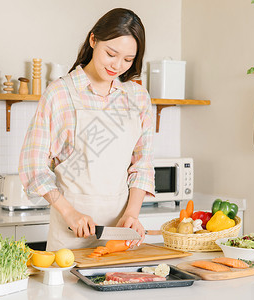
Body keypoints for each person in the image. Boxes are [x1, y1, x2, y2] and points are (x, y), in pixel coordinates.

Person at [19, 8, 154, 251]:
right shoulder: (60, 94)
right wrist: (69, 213)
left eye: (127, 60)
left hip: (120, 235)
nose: (117, 66)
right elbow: (33, 166)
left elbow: (142, 164)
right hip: (70, 235)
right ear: (93, 40)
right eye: (111, 54)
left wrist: (132, 215)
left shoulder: (138, 98)